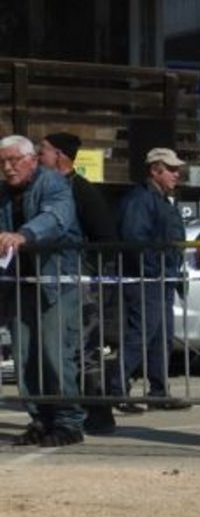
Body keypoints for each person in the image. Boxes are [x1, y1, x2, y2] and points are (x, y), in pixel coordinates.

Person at [86, 148, 192, 435]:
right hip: (145, 279)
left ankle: (158, 390)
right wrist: (152, 271)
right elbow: (136, 239)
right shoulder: (141, 200)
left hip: (162, 278)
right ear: (155, 170)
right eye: (171, 169)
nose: (176, 174)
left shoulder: (160, 200)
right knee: (141, 334)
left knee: (161, 336)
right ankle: (116, 388)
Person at [0, 134, 86, 446]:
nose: (8, 168)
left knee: (54, 353)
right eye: (3, 162)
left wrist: (23, 234)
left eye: (14, 160)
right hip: (19, 285)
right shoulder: (4, 193)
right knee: (24, 357)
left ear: (32, 160)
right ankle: (41, 419)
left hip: (56, 282)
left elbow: (56, 218)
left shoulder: (53, 184)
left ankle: (68, 421)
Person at [37, 132, 122, 427]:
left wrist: (86, 272)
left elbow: (106, 236)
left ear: (60, 156)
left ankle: (98, 412)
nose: (38, 156)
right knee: (58, 348)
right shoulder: (46, 188)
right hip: (54, 281)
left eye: (43, 151)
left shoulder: (82, 191)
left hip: (81, 283)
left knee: (83, 348)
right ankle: (60, 410)